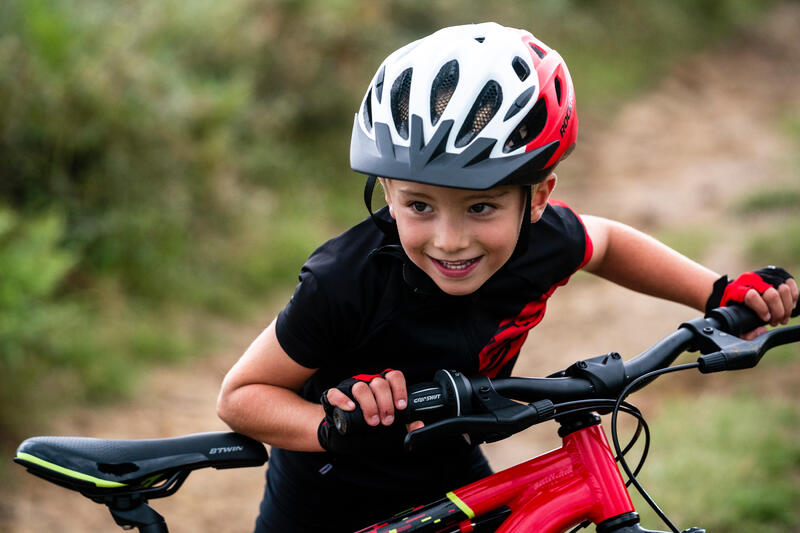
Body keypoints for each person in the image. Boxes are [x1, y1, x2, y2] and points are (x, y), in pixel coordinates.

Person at [216, 23, 798, 532]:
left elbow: (610, 243)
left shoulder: (544, 239)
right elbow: (242, 397)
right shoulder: (346, 279)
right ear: (388, 191)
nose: (449, 240)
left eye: (481, 208)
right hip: (325, 501)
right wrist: (335, 426)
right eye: (419, 206)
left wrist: (716, 292)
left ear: (538, 196)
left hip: (451, 466)